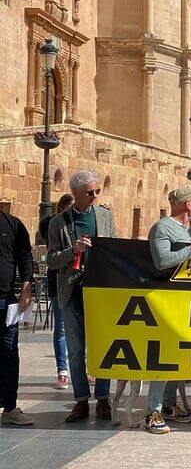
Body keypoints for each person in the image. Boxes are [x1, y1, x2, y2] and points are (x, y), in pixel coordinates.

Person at [47, 170, 115, 423]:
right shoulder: (58, 223)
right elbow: (52, 261)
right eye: (90, 193)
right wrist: (72, 250)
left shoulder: (106, 216)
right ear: (75, 194)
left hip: (100, 291)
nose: (95, 196)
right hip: (71, 291)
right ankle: (81, 401)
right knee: (76, 350)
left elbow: (114, 250)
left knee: (103, 347)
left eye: (97, 191)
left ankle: (104, 398)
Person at [144, 187, 191, 434]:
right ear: (188, 204)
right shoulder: (163, 227)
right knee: (163, 358)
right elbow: (161, 260)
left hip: (183, 300)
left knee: (175, 355)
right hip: (165, 301)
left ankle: (169, 406)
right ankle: (153, 411)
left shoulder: (184, 229)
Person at [0, 209, 34, 425]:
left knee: (9, 353)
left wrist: (26, 287)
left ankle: (10, 408)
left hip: (5, 299)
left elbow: (24, 257)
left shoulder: (12, 224)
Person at [39, 193, 74, 390]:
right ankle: (62, 370)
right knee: (61, 328)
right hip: (58, 282)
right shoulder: (52, 225)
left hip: (79, 282)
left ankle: (86, 369)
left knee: (82, 328)